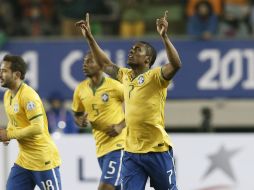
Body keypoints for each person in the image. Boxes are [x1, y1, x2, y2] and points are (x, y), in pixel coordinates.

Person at [76, 11, 181, 190]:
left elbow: (176, 64)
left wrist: (164, 37)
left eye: (137, 50)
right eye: (131, 49)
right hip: (132, 152)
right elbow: (104, 64)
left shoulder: (156, 76)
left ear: (147, 59)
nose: (131, 51)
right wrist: (90, 38)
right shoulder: (125, 75)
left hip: (157, 149)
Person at [0, 55, 62, 190]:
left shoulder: (28, 96)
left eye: (4, 71)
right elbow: (15, 121)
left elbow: (37, 128)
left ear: (16, 75)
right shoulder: (7, 95)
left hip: (42, 160)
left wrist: (9, 135)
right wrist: (7, 134)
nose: (0, 74)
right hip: (24, 160)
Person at [72, 51, 126, 190]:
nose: (85, 64)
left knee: (105, 187)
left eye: (90, 61)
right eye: (84, 61)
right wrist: (80, 122)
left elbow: (138, 107)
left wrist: (121, 126)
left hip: (119, 146)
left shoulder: (115, 86)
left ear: (101, 66)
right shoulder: (80, 89)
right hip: (101, 148)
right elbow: (77, 115)